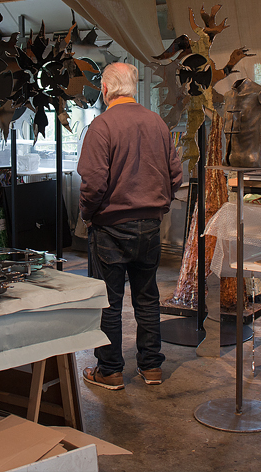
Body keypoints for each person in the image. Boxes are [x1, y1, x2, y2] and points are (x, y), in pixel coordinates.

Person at [78, 62, 183, 390]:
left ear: (105, 89)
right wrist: (159, 207)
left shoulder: (101, 126)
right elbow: (176, 176)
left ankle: (109, 371)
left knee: (109, 302)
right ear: (133, 87)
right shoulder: (157, 123)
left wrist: (87, 214)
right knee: (147, 298)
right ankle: (151, 368)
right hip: (149, 227)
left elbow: (93, 182)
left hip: (110, 227)